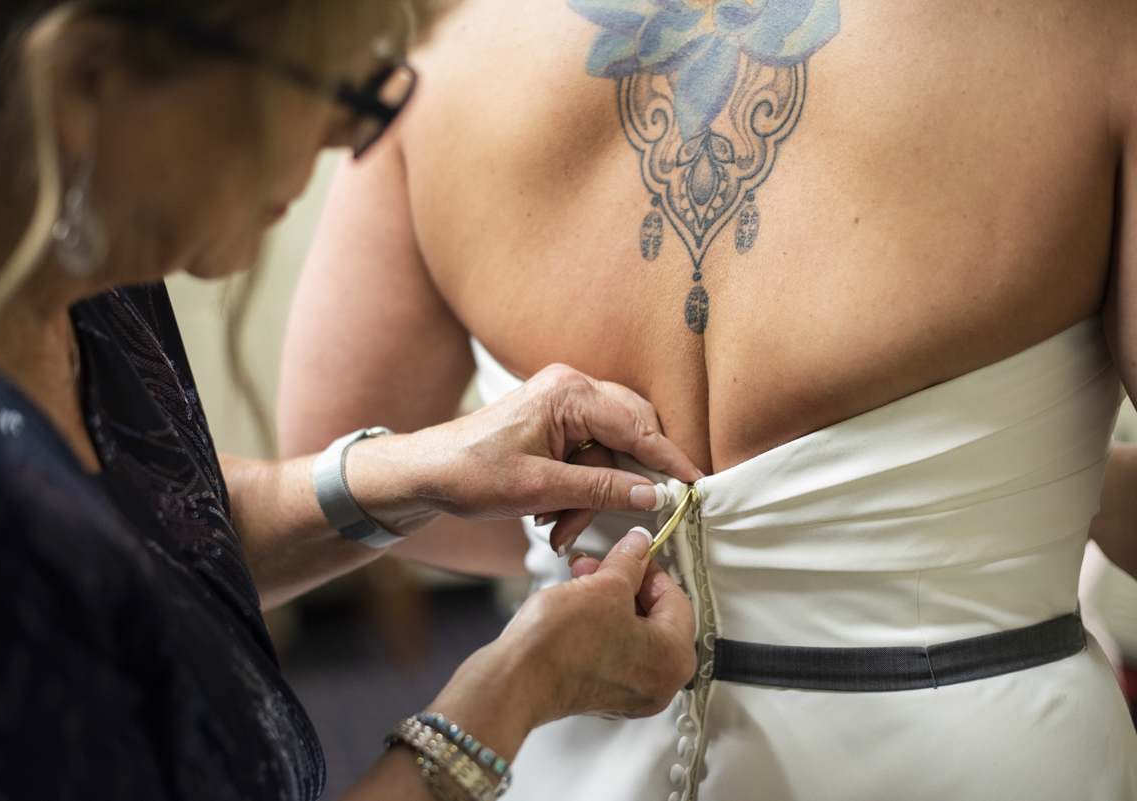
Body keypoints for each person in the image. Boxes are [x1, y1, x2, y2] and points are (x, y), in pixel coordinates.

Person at [277, 0, 1137, 798]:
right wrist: (1024, 489)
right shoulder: (1088, 32)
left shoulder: (447, 32)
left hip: (563, 743)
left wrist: (608, 531)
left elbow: (347, 470)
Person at [0, 1, 705, 797]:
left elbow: (146, 522)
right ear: (82, 81)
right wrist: (516, 687)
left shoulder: (90, 269)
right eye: (325, 85)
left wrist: (411, 472)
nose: (346, 137)